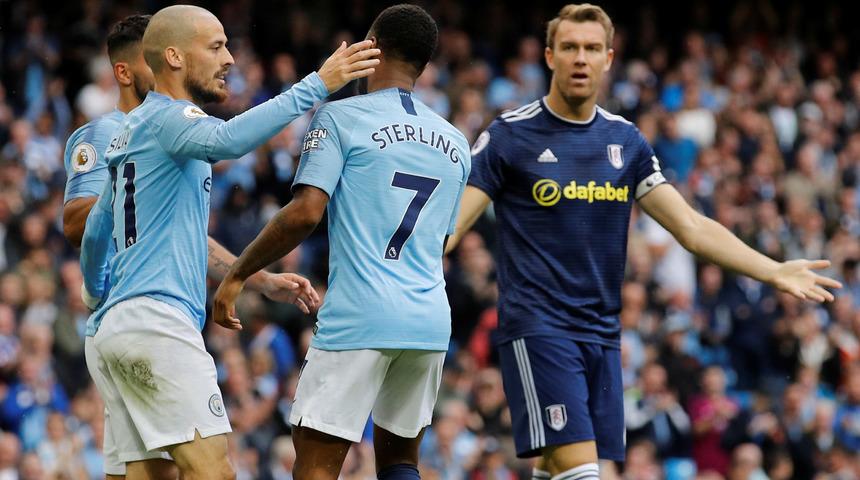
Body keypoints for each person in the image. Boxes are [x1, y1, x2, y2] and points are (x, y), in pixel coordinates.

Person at [445, 4, 842, 480]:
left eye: (592, 48)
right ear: (549, 56)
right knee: (582, 469)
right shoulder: (511, 135)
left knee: (556, 468)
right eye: (569, 47)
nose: (580, 58)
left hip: (602, 333)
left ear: (608, 58)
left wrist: (772, 269)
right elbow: (450, 228)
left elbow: (691, 226)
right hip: (540, 329)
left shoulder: (626, 141)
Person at [78, 5, 379, 479]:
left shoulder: (132, 132)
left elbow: (99, 231)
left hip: (121, 327)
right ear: (174, 57)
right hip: (158, 325)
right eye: (216, 46)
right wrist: (317, 85)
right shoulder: (171, 117)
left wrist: (98, 294)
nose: (230, 58)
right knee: (214, 471)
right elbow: (228, 141)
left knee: (146, 475)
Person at [212, 5, 469, 480]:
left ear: (373, 46)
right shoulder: (456, 142)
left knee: (315, 465)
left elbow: (305, 213)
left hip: (360, 314)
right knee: (401, 462)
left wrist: (239, 272)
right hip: (429, 319)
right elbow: (441, 240)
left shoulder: (340, 117)